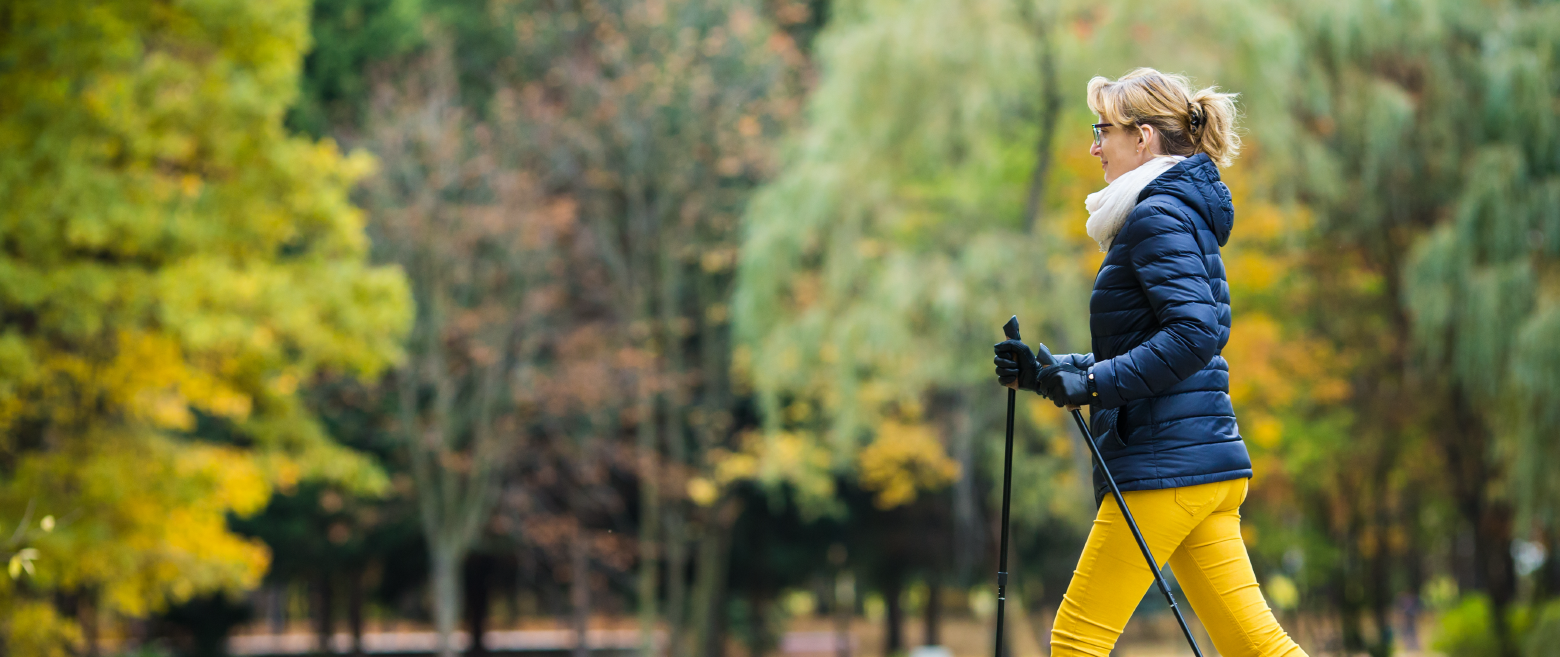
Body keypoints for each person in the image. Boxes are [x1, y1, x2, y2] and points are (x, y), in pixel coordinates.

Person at [993, 68, 1307, 657]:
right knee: (1255, 648)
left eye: (1102, 130)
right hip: (1200, 463)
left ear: (1141, 138)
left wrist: (1091, 382)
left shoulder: (1157, 215)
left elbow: (1194, 334)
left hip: (1166, 465)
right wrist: (1048, 373)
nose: (1094, 146)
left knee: (1076, 640)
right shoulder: (1173, 211)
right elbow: (1154, 342)